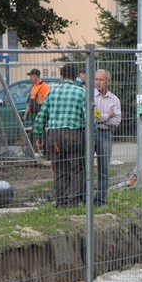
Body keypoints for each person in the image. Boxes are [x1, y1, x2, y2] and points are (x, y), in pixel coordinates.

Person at [33, 63, 88, 208]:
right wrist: (92, 136)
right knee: (77, 169)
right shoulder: (81, 92)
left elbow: (41, 116)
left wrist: (39, 136)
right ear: (76, 76)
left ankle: (61, 202)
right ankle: (73, 202)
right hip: (73, 134)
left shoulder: (52, 91)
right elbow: (88, 118)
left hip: (54, 135)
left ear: (62, 76)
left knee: (59, 169)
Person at [93, 69, 121, 206]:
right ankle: (85, 199)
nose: (98, 83)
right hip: (91, 133)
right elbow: (91, 117)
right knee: (85, 167)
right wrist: (107, 116)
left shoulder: (114, 99)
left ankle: (101, 200)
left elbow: (117, 120)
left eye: (101, 80)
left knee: (103, 170)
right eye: (96, 79)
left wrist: (100, 118)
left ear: (107, 81)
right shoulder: (90, 96)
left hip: (105, 134)